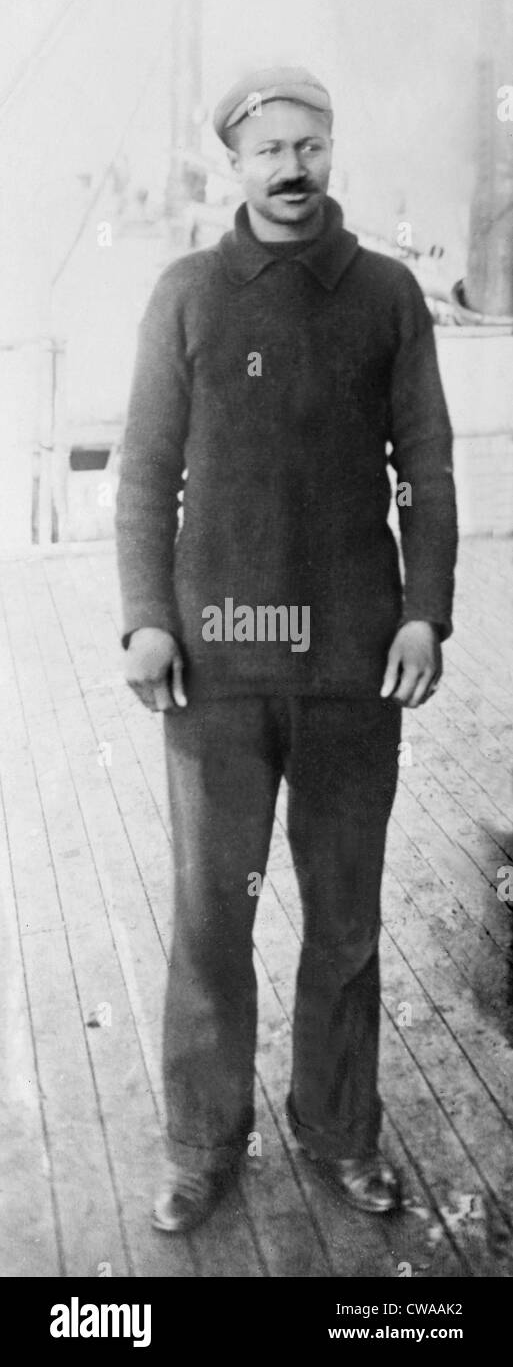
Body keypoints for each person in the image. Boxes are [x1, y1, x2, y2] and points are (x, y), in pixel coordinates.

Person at [115, 66, 458, 1234]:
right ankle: (202, 1145)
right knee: (214, 919)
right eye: (270, 151)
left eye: (311, 145)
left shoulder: (388, 296)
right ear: (237, 164)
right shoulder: (188, 296)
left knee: (346, 920)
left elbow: (428, 467)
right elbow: (146, 474)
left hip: (355, 669)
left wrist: (426, 611)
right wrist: (148, 617)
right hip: (214, 670)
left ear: (332, 150)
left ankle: (339, 1131)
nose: (293, 168)